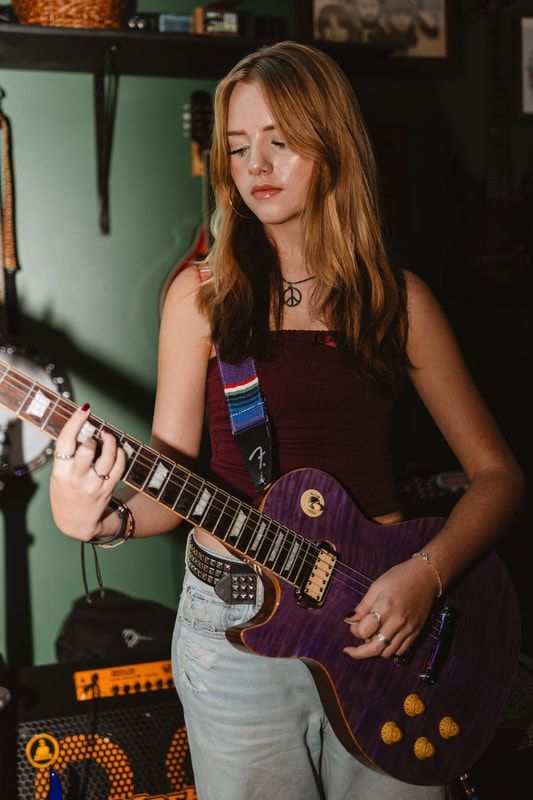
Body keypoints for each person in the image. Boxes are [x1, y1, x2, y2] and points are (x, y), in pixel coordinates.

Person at [49, 41, 525, 800]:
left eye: (281, 141)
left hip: (384, 617)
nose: (256, 165)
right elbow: (170, 484)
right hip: (233, 630)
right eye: (238, 147)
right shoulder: (201, 296)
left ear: (332, 145)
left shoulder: (398, 301)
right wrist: (96, 518)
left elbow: (498, 477)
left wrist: (424, 578)